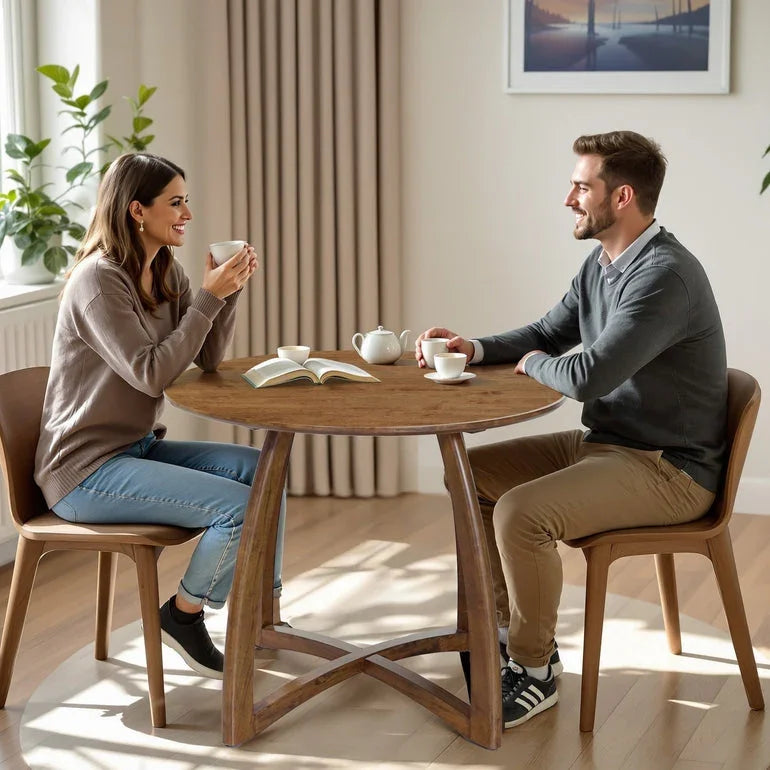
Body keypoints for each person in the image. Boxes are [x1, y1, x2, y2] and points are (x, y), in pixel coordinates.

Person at [415, 131, 726, 728]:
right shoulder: (603, 263)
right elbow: (548, 332)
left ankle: (534, 672)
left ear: (622, 196)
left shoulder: (664, 276)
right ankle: (507, 636)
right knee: (469, 475)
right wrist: (472, 347)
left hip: (670, 469)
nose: (568, 199)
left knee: (521, 513)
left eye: (582, 187)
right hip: (608, 446)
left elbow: (586, 375)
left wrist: (533, 364)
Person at [34, 152, 286, 680]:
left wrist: (227, 293)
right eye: (175, 203)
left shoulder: (165, 272)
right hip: (84, 471)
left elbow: (208, 358)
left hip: (135, 449)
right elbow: (150, 374)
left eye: (186, 201)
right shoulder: (98, 281)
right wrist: (208, 299)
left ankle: (264, 612)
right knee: (242, 507)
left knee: (267, 471)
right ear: (136, 210)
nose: (187, 214)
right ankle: (182, 615)